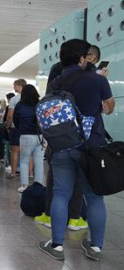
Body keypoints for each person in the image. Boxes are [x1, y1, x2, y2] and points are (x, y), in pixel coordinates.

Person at [39, 39, 115, 262]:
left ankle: (57, 246)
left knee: (61, 194)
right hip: (91, 147)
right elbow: (109, 109)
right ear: (83, 58)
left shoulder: (56, 82)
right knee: (94, 198)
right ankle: (95, 248)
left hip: (62, 145)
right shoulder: (96, 80)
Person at [13, 85, 45, 193]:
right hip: (40, 135)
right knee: (39, 161)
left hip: (26, 135)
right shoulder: (40, 104)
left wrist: (21, 128)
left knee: (24, 161)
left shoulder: (20, 105)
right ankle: (39, 184)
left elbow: (15, 120)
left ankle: (24, 185)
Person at [6, 79, 27, 179]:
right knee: (28, 152)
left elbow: (10, 115)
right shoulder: (32, 99)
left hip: (16, 128)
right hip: (28, 129)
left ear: (19, 86)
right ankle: (30, 174)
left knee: (15, 151)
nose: (14, 88)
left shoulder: (14, 100)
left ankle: (13, 172)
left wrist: (8, 125)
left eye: (14, 86)